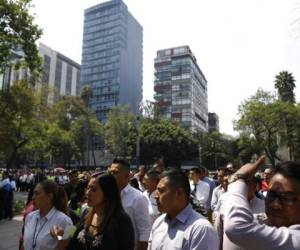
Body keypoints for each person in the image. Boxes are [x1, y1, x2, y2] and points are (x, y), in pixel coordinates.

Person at [224, 157, 300, 250]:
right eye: (271, 195)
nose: (275, 205)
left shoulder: (296, 238)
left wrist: (239, 179)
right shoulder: (256, 222)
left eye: (287, 198)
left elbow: (236, 228)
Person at [53, 173, 134, 250]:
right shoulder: (86, 213)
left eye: (94, 190)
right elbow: (72, 230)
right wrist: (61, 233)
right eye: (88, 188)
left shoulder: (121, 220)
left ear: (107, 193)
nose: (88, 193)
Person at [149, 170, 219, 250]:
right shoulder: (159, 222)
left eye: (161, 191)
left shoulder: (201, 230)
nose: (156, 196)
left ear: (179, 193)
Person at [109, 158, 151, 250]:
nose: (111, 176)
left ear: (127, 176)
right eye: (110, 173)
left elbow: (144, 232)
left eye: (115, 173)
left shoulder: (138, 198)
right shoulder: (107, 196)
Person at [23, 180, 73, 250]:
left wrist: (60, 236)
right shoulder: (30, 216)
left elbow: (69, 245)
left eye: (37, 193)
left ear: (50, 196)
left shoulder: (66, 220)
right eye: (33, 194)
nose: (32, 197)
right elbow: (24, 242)